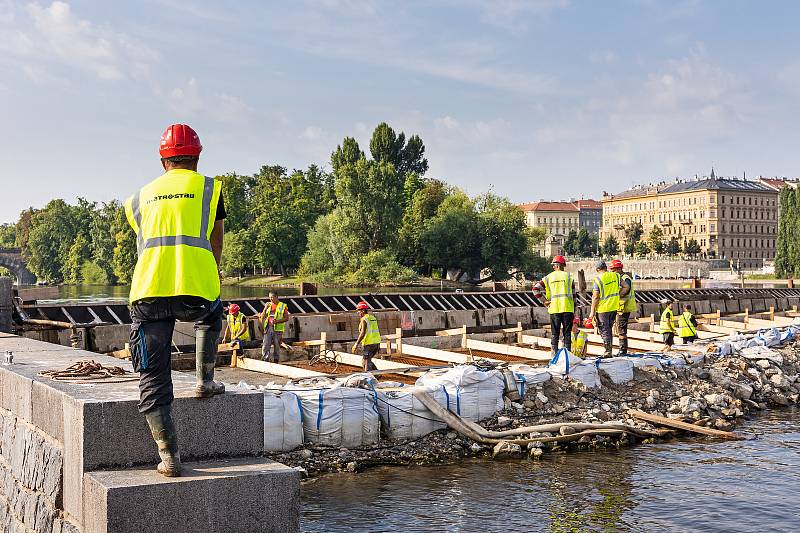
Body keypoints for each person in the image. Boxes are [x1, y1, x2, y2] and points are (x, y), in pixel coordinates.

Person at [125, 123, 226, 477]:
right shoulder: (209, 188)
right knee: (213, 315)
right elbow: (216, 240)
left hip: (148, 292)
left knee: (153, 376)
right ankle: (204, 380)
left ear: (162, 159)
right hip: (195, 289)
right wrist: (212, 273)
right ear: (196, 156)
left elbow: (148, 239)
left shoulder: (138, 198)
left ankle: (169, 457)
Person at [541, 255, 575, 354]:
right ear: (563, 265)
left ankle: (554, 354)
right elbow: (574, 295)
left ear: (556, 266)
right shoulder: (569, 277)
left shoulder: (548, 277)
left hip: (554, 309)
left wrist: (544, 301)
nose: (552, 267)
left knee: (555, 333)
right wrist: (575, 309)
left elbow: (535, 289)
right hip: (567, 308)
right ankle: (567, 354)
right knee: (567, 333)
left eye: (553, 265)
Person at [588, 260, 621, 357]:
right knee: (609, 329)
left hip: (602, 309)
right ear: (606, 268)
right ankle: (609, 350)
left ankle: (608, 351)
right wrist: (619, 295)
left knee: (604, 329)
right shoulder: (615, 276)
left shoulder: (598, 279)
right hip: (614, 307)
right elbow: (625, 286)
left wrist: (592, 312)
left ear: (597, 269)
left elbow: (595, 297)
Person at [611, 259, 636, 356]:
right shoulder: (620, 278)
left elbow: (626, 290)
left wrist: (616, 295)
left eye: (613, 270)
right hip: (621, 307)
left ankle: (622, 350)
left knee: (621, 328)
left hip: (624, 307)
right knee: (620, 328)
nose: (612, 272)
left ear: (618, 269)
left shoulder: (625, 278)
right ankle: (622, 349)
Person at [259, 292, 290, 362]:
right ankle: (265, 359)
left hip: (278, 328)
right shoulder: (268, 305)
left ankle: (276, 360)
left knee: (277, 345)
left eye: (272, 297)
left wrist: (277, 321)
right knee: (266, 344)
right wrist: (265, 308)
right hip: (268, 327)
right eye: (269, 297)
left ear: (276, 297)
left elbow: (287, 318)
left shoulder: (282, 306)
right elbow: (262, 317)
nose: (271, 299)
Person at [351, 301, 381, 371]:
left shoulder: (364, 319)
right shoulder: (373, 318)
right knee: (367, 360)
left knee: (366, 362)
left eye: (359, 310)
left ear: (363, 310)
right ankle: (377, 374)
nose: (358, 312)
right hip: (376, 343)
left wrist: (356, 344)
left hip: (369, 344)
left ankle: (369, 378)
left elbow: (363, 332)